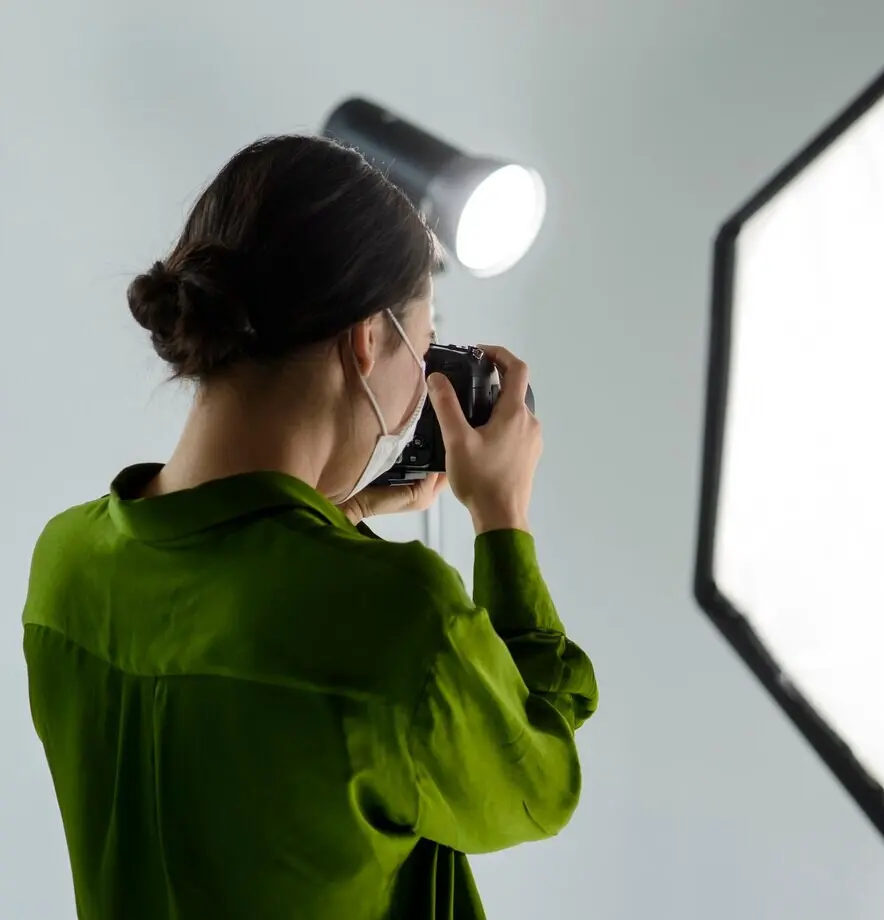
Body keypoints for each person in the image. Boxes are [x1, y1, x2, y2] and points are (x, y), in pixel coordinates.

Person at [21, 135, 598, 920]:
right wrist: (503, 519)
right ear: (367, 340)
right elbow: (538, 784)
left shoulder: (64, 560)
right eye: (424, 346)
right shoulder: (398, 618)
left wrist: (340, 517)